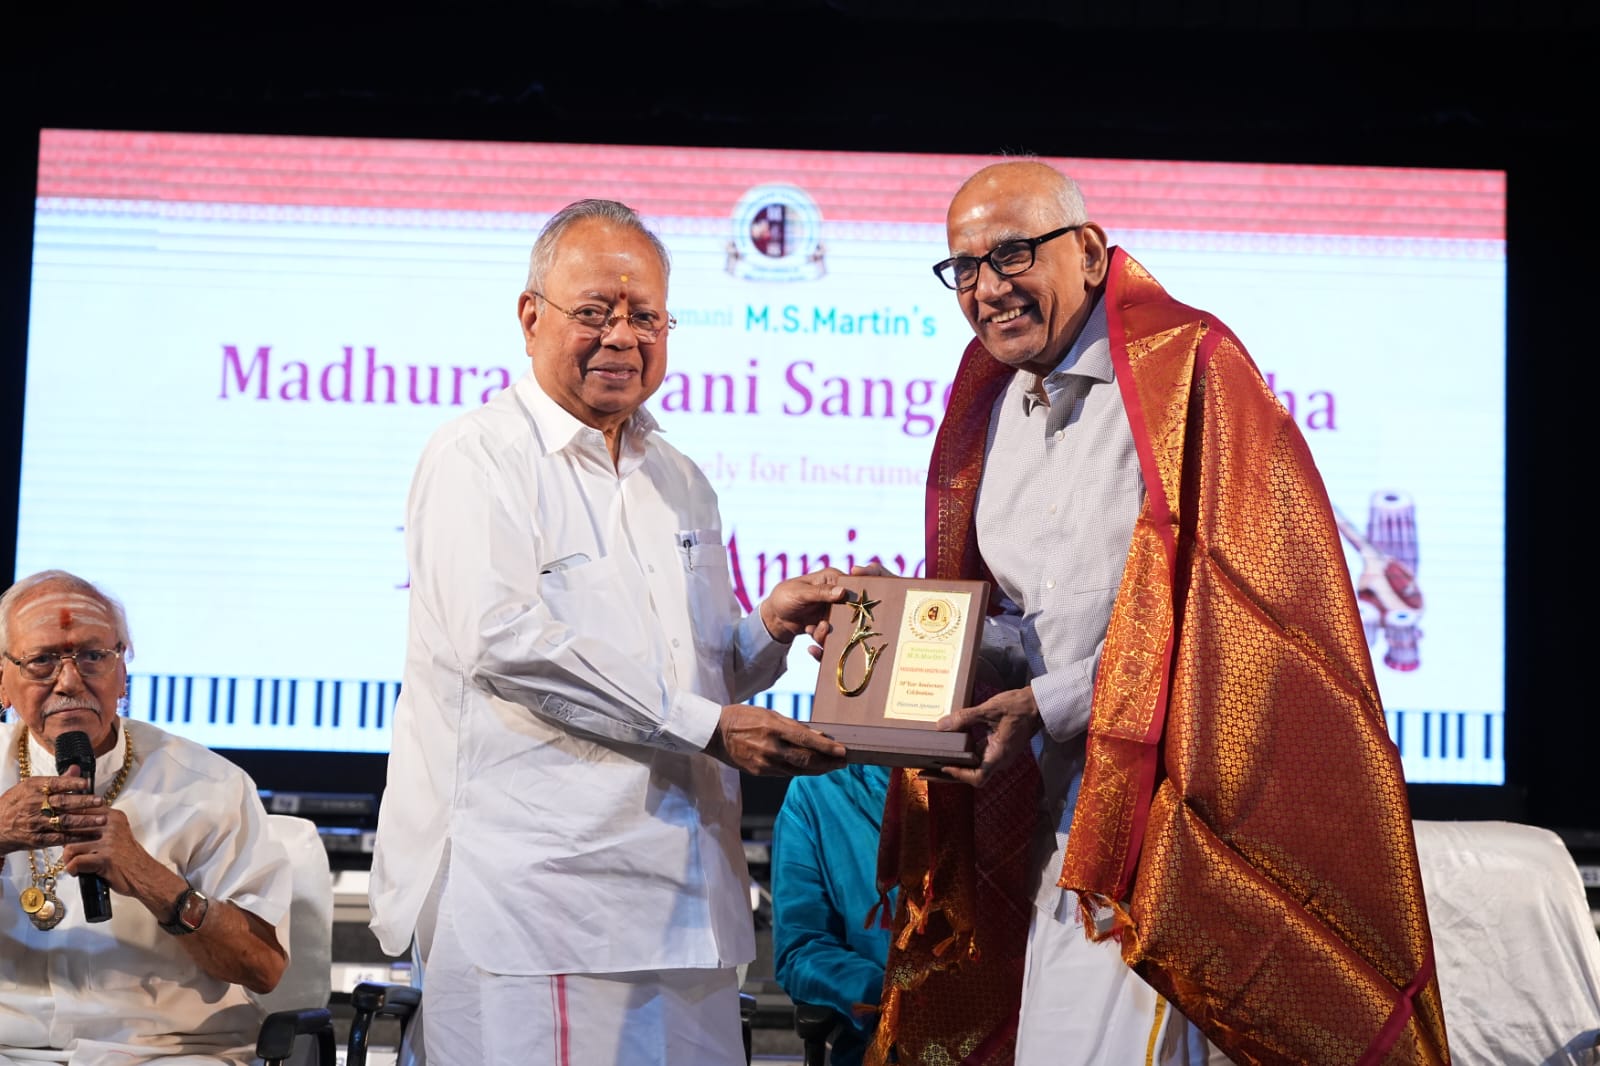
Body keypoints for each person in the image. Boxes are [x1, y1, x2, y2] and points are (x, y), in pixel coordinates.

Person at [866, 162, 1449, 1065]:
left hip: (1182, 832)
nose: (987, 289)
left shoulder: (1192, 371)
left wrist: (1049, 703)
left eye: (1012, 254)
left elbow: (1233, 629)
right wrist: (903, 629)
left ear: (1091, 253)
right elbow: (1033, 627)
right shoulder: (994, 403)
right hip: (1062, 822)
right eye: (964, 268)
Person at [367, 198, 851, 1066]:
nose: (621, 337)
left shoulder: (681, 478)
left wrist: (768, 631)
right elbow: (503, 644)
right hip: (543, 904)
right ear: (531, 317)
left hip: (689, 905)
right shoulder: (478, 454)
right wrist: (712, 725)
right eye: (594, 311)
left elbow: (695, 678)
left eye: (645, 317)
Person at [0, 570, 291, 1065]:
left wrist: (153, 881)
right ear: (3, 680)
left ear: (123, 671)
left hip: (167, 1052)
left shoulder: (210, 785)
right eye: (42, 660)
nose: (69, 681)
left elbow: (262, 969)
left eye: (93, 656)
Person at [770, 764, 893, 1066]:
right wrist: (890, 997)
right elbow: (802, 949)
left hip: (996, 1030)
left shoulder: (995, 782)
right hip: (885, 1044)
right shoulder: (816, 789)